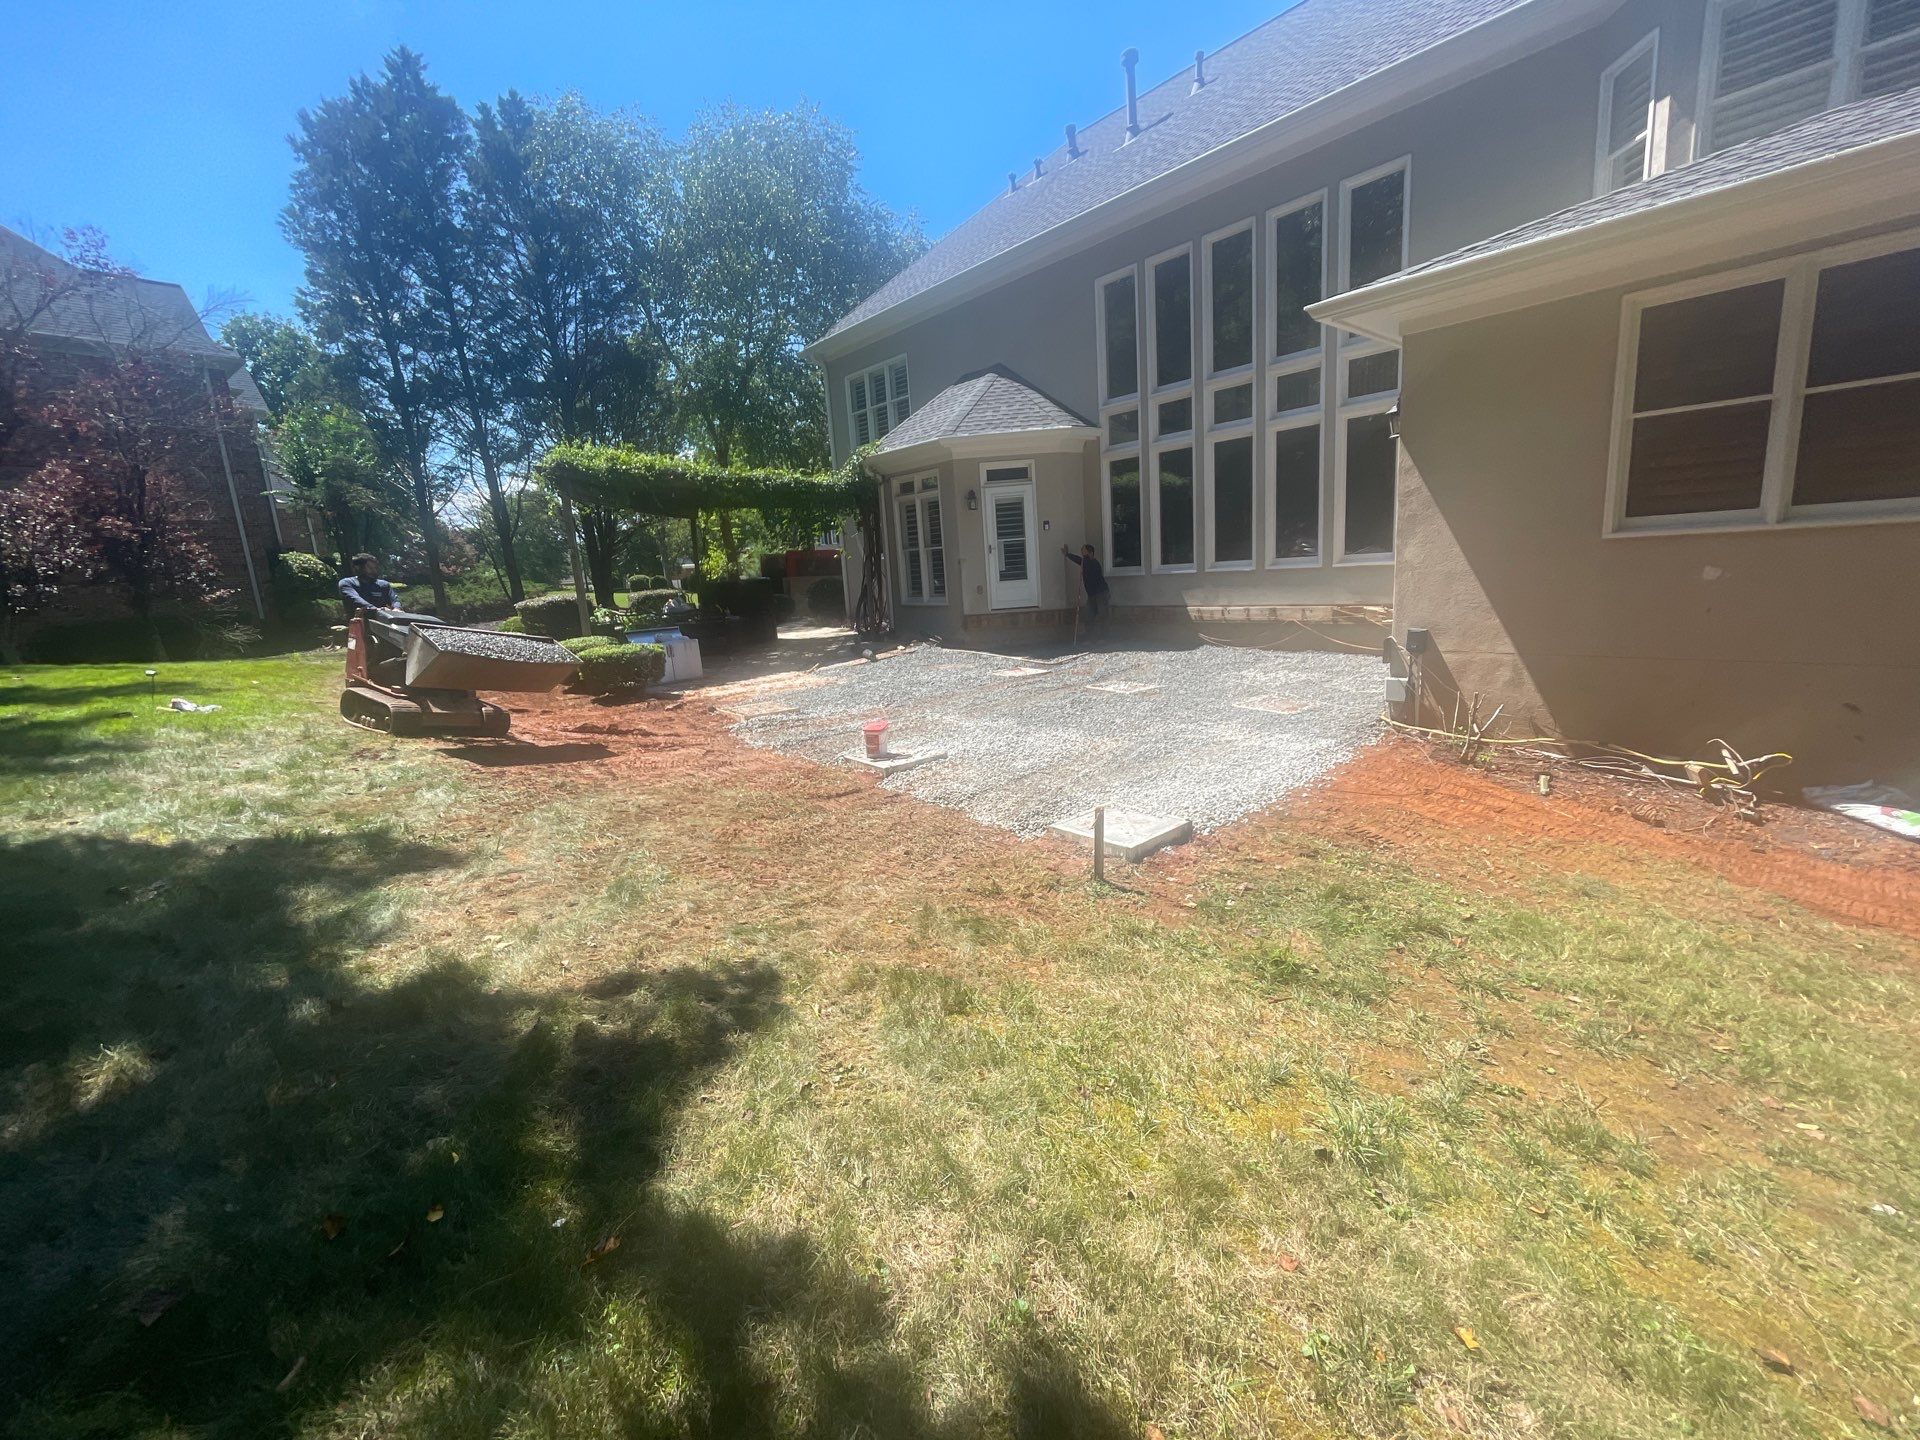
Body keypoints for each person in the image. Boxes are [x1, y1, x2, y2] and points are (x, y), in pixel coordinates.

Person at [338, 553, 435, 624]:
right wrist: (376, 610)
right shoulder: (347, 583)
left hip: (385, 623)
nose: (374, 571)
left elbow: (394, 599)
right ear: (358, 568)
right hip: (360, 624)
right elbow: (356, 600)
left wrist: (397, 608)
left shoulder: (383, 585)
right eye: (370, 568)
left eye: (375, 568)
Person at [1061, 542, 1109, 626]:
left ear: (1091, 553)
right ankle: (1089, 635)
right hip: (1092, 595)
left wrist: (1069, 555)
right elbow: (1080, 560)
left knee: (1102, 615)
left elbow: (1082, 561)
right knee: (1088, 615)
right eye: (1082, 553)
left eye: (1084, 553)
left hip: (1101, 593)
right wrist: (1067, 554)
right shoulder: (1086, 562)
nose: (1083, 556)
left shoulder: (1094, 563)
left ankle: (1104, 637)